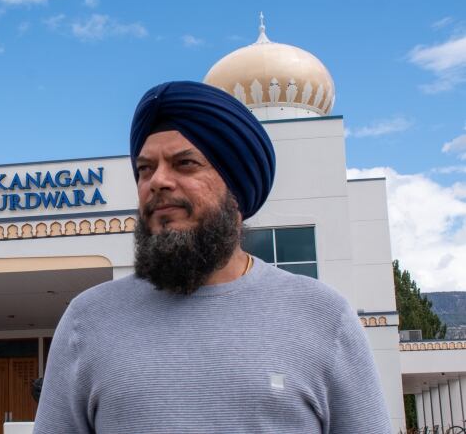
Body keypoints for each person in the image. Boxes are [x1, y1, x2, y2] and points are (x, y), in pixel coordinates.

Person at [33, 81, 392, 433]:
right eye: (145, 168)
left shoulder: (324, 317)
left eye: (185, 163)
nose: (157, 181)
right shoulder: (88, 320)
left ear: (236, 187)